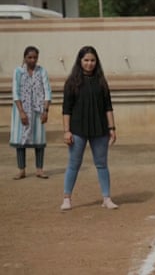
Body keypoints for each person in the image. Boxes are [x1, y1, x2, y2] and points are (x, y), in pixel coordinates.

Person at [60, 46, 118, 211]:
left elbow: (108, 106)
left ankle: (106, 198)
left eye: (92, 60)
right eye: (86, 60)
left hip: (99, 129)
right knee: (73, 164)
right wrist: (67, 131)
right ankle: (67, 198)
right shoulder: (72, 82)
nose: (89, 63)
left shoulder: (101, 81)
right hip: (77, 129)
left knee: (101, 164)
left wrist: (112, 128)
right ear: (80, 61)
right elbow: (66, 109)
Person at [10, 46, 51, 180]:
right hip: (21, 110)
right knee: (20, 141)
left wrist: (45, 110)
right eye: (30, 57)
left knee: (39, 140)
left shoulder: (42, 71)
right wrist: (21, 112)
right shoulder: (18, 72)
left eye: (35, 57)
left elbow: (47, 91)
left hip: (38, 110)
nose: (32, 60)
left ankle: (39, 169)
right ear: (25, 57)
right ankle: (21, 170)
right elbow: (15, 92)